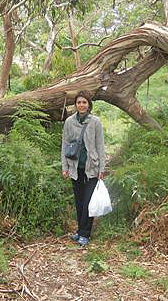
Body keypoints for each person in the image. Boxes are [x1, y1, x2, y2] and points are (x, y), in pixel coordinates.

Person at [61, 91, 105, 246]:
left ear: (89, 104)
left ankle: (85, 234)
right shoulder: (69, 122)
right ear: (75, 104)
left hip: (91, 168)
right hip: (75, 168)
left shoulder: (95, 122)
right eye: (79, 102)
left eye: (84, 102)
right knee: (79, 202)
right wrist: (64, 166)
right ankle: (80, 232)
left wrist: (102, 168)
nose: (81, 105)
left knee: (88, 202)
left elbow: (100, 145)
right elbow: (65, 145)